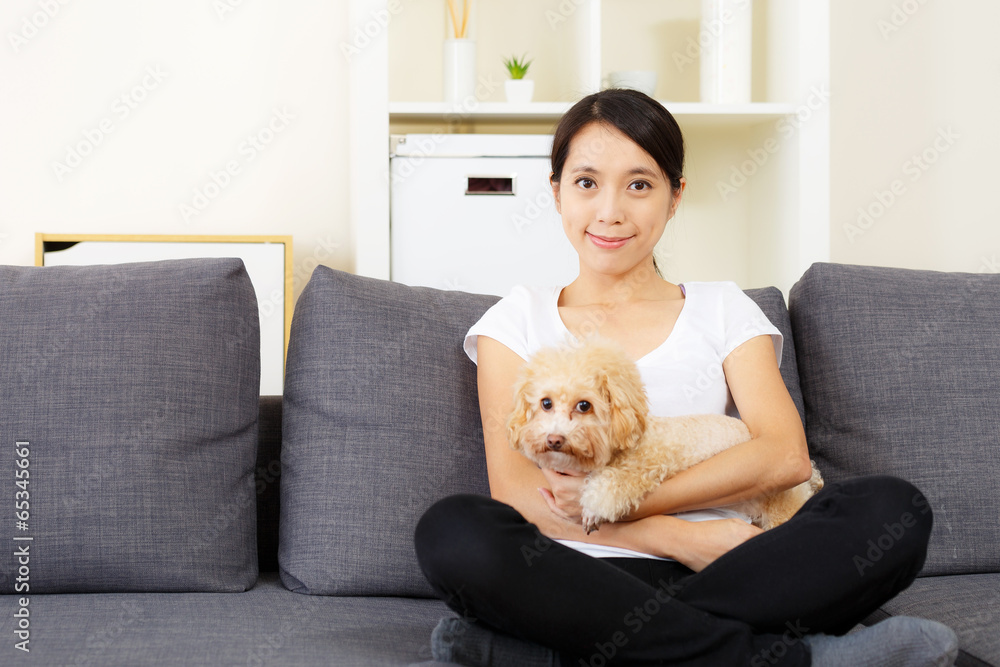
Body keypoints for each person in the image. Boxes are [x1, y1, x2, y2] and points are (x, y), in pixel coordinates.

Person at [414, 88, 958, 667]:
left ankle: (550, 654)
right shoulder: (516, 318)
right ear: (556, 192)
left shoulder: (722, 308)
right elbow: (520, 495)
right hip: (578, 577)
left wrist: (642, 507)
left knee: (894, 509)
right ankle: (782, 660)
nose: (610, 211)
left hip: (736, 569)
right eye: (587, 182)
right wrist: (670, 535)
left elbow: (785, 457)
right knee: (452, 531)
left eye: (639, 185)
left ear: (675, 197)